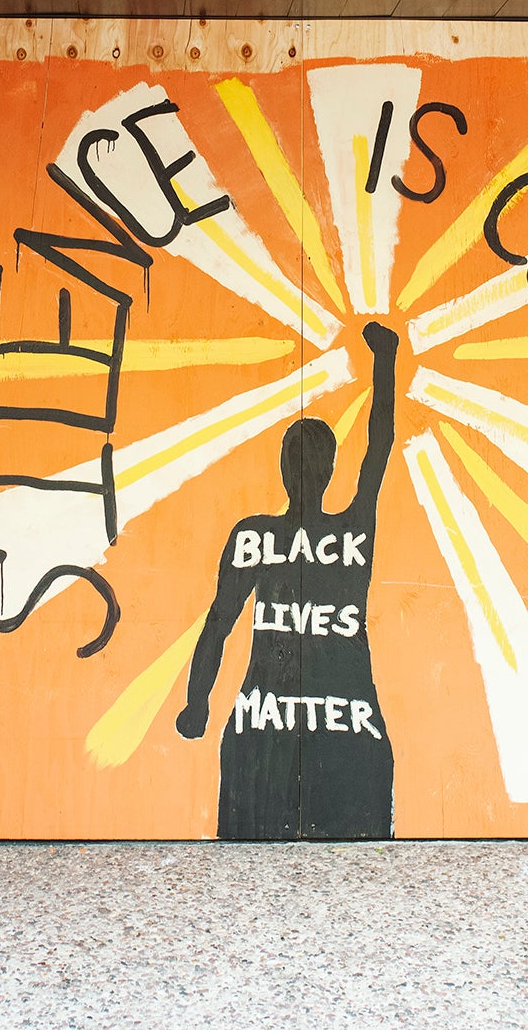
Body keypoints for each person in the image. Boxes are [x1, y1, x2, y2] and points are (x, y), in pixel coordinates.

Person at [176, 320, 400, 839]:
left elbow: (218, 625)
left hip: (278, 735)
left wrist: (198, 702)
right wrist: (384, 362)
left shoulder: (258, 536)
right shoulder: (343, 528)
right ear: (326, 471)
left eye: (303, 458)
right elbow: (378, 448)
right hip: (329, 731)